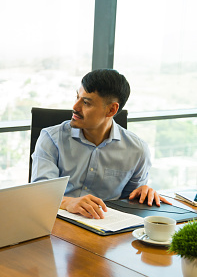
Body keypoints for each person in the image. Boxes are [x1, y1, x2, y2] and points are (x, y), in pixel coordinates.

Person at [31, 68, 170, 219]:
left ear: (111, 110)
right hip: (58, 225)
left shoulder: (138, 150)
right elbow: (40, 195)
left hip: (106, 229)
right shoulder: (51, 139)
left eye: (85, 102)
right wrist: (68, 203)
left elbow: (130, 203)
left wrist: (143, 193)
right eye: (77, 97)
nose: (75, 107)